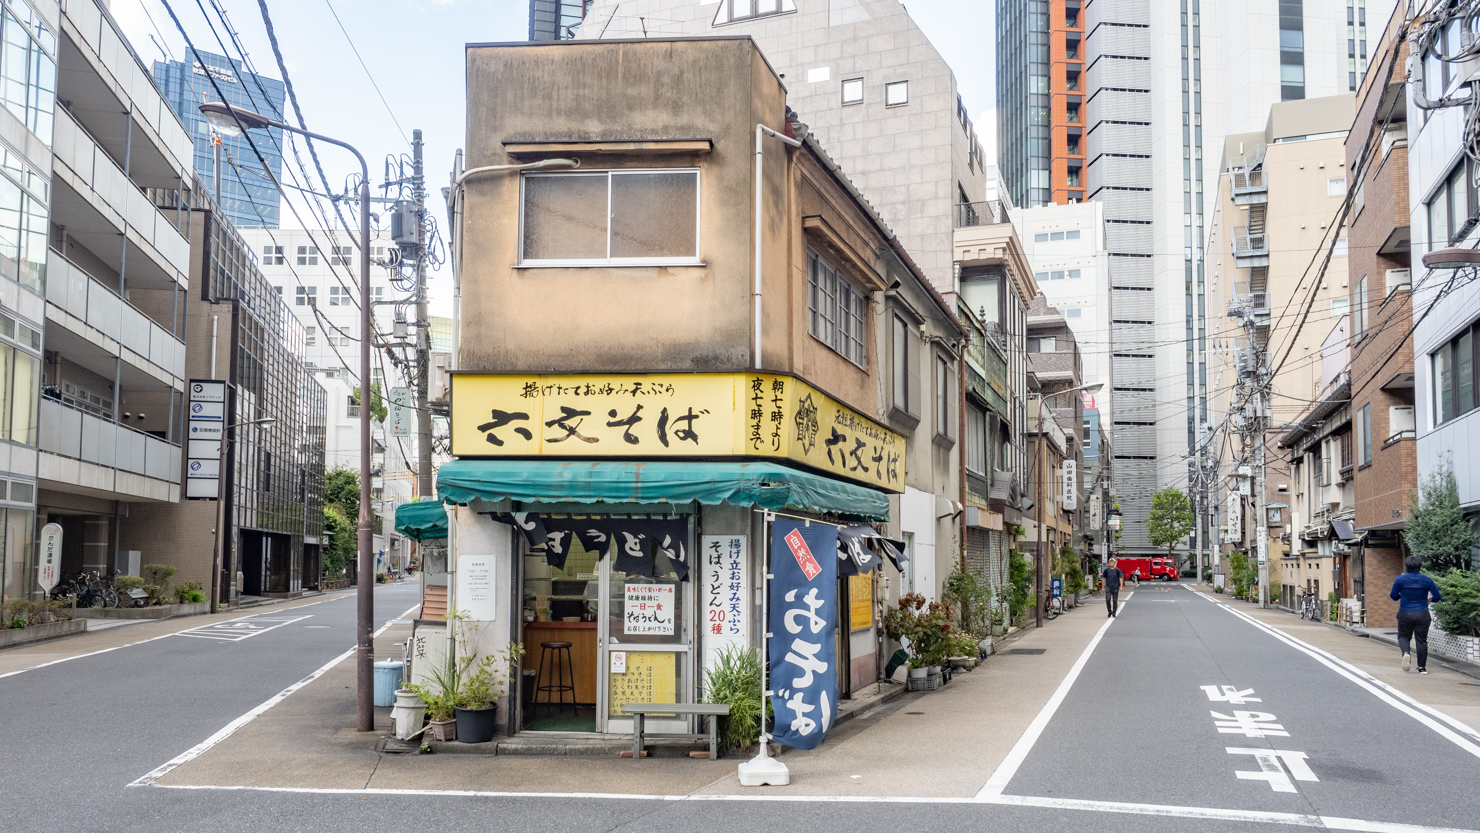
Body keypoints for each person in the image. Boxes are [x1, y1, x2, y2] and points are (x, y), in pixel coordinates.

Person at [1390, 555, 1442, 674]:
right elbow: (1438, 597)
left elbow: (1393, 596)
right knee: (1421, 640)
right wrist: (1430, 600)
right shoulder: (1427, 580)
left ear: (1406, 566)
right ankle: (1421, 668)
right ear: (1420, 566)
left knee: (1403, 636)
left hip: (1405, 612)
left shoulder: (1400, 580)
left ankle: (1406, 653)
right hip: (1422, 613)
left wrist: (1401, 596)